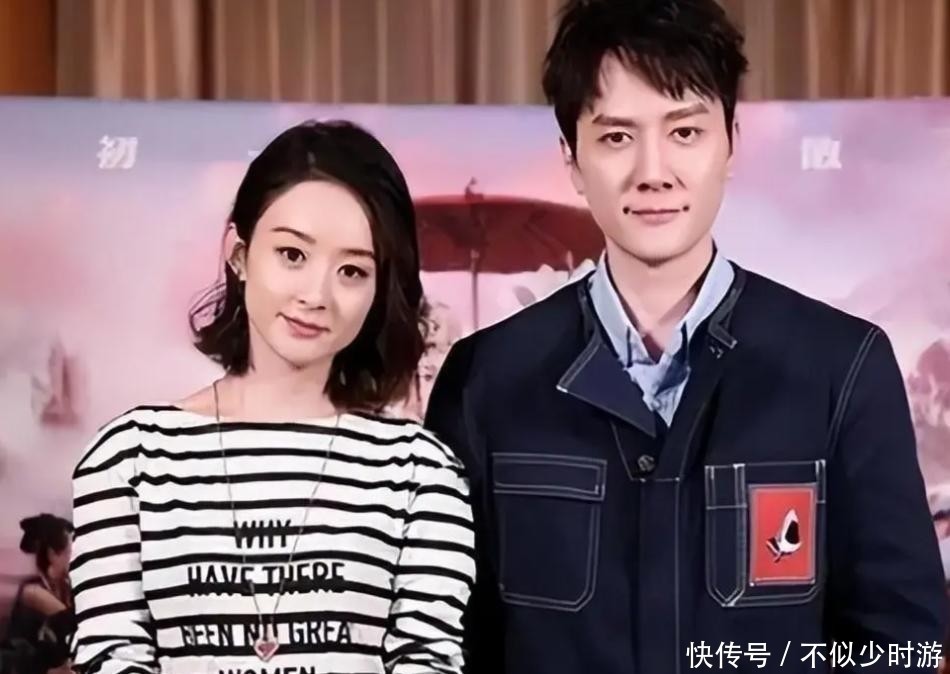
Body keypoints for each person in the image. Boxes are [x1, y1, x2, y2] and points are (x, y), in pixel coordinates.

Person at [424, 1, 947, 672]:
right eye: (617, 137)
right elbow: (449, 641)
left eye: (685, 131)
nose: (654, 171)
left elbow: (902, 641)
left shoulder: (841, 368)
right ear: (572, 159)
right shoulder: (485, 380)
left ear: (730, 142)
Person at [69, 120, 475, 674]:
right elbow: (110, 657)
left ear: (380, 289)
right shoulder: (130, 459)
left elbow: (428, 660)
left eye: (352, 270)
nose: (316, 294)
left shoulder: (419, 473)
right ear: (239, 254)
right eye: (292, 254)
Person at [5, 514, 75, 674]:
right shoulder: (33, 592)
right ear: (53, 554)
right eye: (71, 551)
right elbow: (71, 623)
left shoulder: (64, 589)